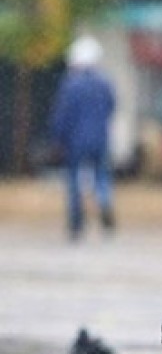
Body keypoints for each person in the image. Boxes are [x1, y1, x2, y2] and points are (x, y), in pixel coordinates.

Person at [49, 35, 117, 242]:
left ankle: (76, 223)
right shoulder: (104, 83)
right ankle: (105, 204)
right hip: (100, 138)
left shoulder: (71, 84)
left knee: (75, 182)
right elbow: (112, 107)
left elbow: (62, 115)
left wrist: (57, 139)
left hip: (76, 141)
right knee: (101, 178)